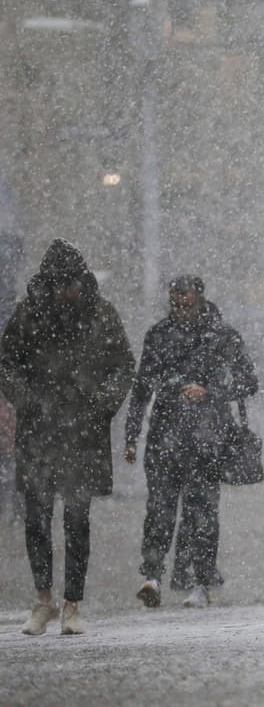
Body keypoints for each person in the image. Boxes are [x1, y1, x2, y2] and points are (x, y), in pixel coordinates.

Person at [0, 239, 135, 636]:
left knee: (77, 519)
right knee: (37, 519)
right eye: (60, 285)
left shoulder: (101, 315)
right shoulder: (28, 316)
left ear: (82, 281)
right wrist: (27, 402)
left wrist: (100, 404)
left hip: (84, 433)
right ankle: (44, 601)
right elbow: (6, 364)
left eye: (71, 284)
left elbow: (123, 365)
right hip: (38, 433)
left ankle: (73, 603)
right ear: (48, 283)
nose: (66, 292)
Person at [125, 275, 258, 608]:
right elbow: (142, 387)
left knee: (202, 513)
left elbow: (247, 381)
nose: (180, 305)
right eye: (175, 299)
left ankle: (200, 580)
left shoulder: (223, 336)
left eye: (185, 298)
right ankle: (152, 575)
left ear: (199, 297)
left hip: (207, 439)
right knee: (159, 510)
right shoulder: (159, 335)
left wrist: (210, 391)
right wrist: (131, 435)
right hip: (165, 438)